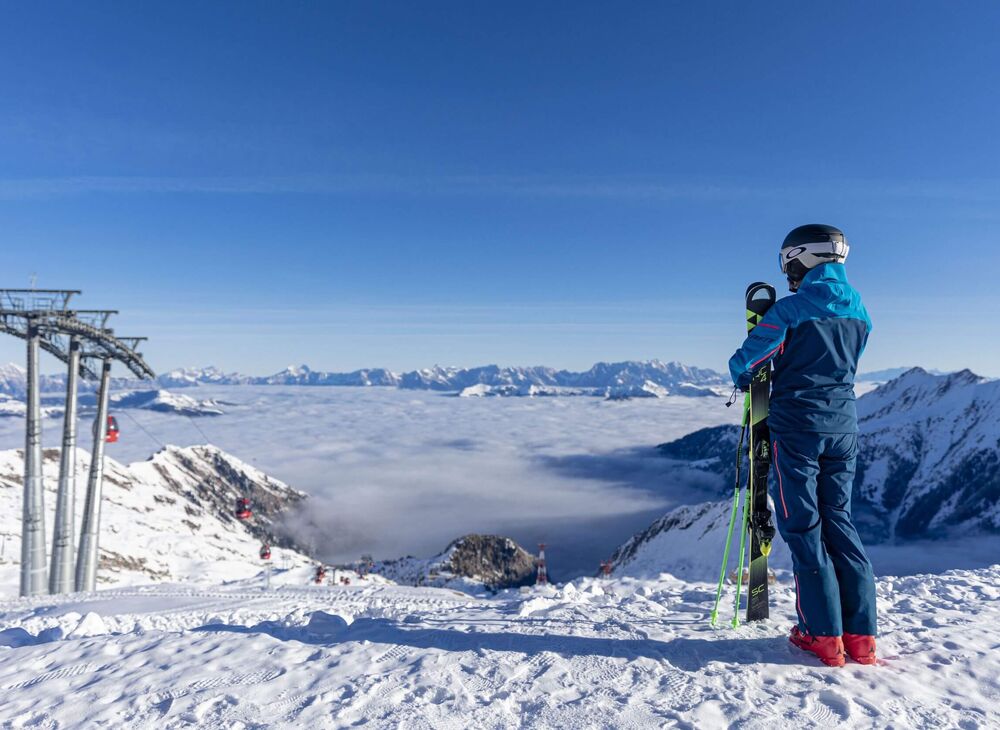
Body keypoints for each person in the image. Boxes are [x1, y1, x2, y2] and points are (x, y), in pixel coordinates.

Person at [728, 224, 877, 667]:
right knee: (841, 524)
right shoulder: (859, 309)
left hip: (798, 431)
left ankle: (822, 637)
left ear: (802, 258)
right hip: (845, 428)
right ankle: (861, 638)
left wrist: (749, 373)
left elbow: (746, 362)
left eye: (789, 261)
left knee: (804, 527)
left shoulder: (792, 310)